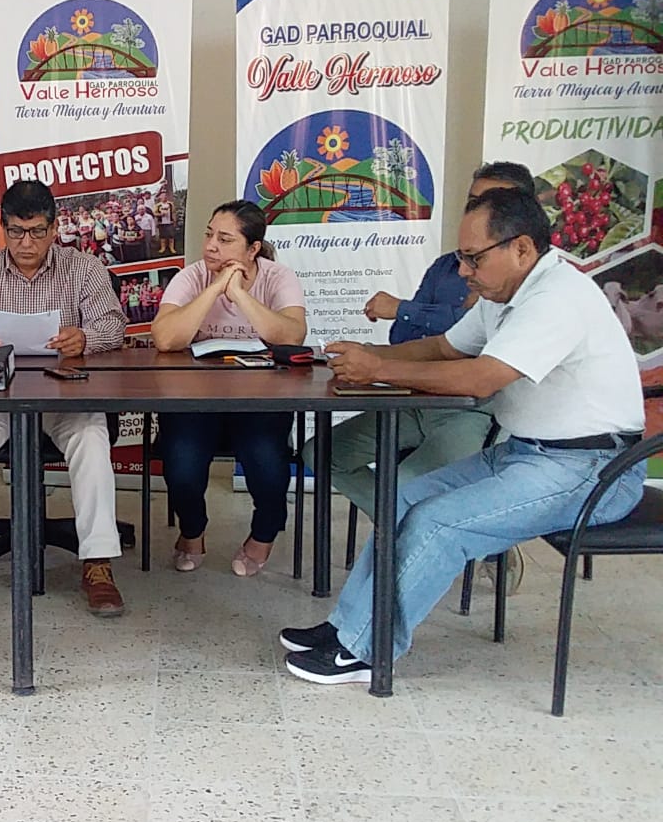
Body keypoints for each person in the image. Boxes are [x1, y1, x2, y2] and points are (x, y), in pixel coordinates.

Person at [281, 188, 646, 684]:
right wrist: (366, 353)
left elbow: (480, 378)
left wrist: (378, 371)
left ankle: (366, 650)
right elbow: (445, 348)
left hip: (594, 469)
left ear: (521, 248)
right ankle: (350, 625)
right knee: (402, 501)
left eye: (474, 258)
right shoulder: (505, 293)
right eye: (461, 256)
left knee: (438, 524)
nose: (463, 270)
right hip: (527, 452)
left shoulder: (557, 298)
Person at [303, 161, 535, 592]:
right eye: (473, 201)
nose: (477, 210)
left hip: (473, 413)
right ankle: (438, 531)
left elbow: (477, 369)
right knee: (321, 452)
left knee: (405, 491)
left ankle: (438, 536)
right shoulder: (449, 267)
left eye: (491, 201)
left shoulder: (527, 288)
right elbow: (430, 340)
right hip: (414, 399)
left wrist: (403, 314)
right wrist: (370, 354)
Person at [0, 179, 128, 616]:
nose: (26, 243)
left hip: (64, 394)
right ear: (3, 228)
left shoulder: (83, 268)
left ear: (54, 228)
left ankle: (97, 563)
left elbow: (114, 326)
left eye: (37, 232)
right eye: (16, 232)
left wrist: (85, 337)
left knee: (91, 436)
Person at [152, 200, 307, 575]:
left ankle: (263, 535)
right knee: (181, 461)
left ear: (253, 249)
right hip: (197, 398)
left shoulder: (278, 277)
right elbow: (165, 338)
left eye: (224, 240)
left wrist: (239, 294)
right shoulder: (192, 276)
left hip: (260, 399)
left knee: (267, 462)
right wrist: (215, 288)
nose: (210, 246)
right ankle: (192, 530)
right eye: (209, 235)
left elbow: (292, 336)